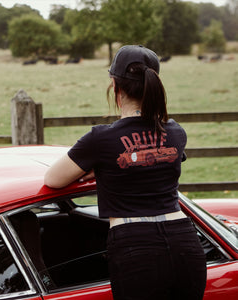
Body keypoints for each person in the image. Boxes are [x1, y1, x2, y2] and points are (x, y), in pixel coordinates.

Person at [44, 45, 207, 300]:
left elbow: (52, 180)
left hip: (135, 248)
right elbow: (155, 163)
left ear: (114, 85)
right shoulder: (175, 132)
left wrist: (101, 168)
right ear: (153, 83)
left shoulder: (100, 139)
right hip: (185, 243)